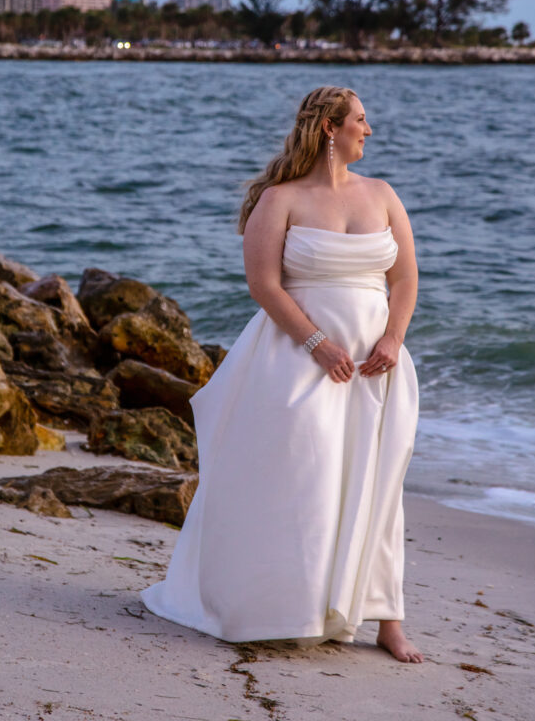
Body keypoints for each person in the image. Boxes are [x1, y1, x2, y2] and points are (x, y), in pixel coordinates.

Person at [141, 85, 423, 663]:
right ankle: (287, 607)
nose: (369, 131)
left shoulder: (384, 195)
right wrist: (317, 344)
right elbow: (264, 286)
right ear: (330, 128)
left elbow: (406, 278)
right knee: (304, 478)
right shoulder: (281, 199)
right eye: (361, 121)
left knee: (380, 484)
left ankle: (387, 621)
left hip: (377, 366)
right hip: (297, 360)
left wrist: (393, 338)